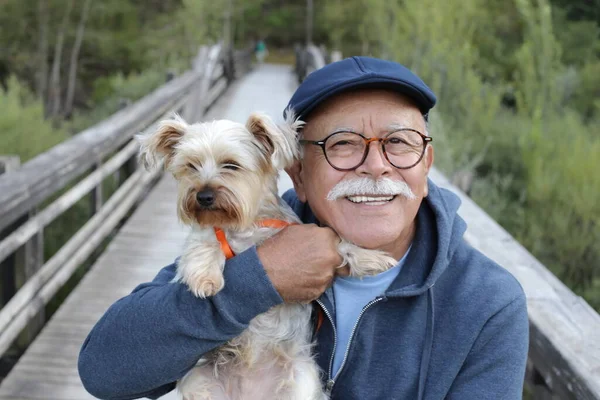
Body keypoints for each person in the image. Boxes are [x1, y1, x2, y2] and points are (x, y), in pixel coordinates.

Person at [78, 56, 529, 399]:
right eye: (344, 144)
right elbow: (104, 370)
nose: (376, 165)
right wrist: (256, 280)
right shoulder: (241, 239)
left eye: (398, 142)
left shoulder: (487, 301)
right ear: (296, 173)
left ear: (426, 163)